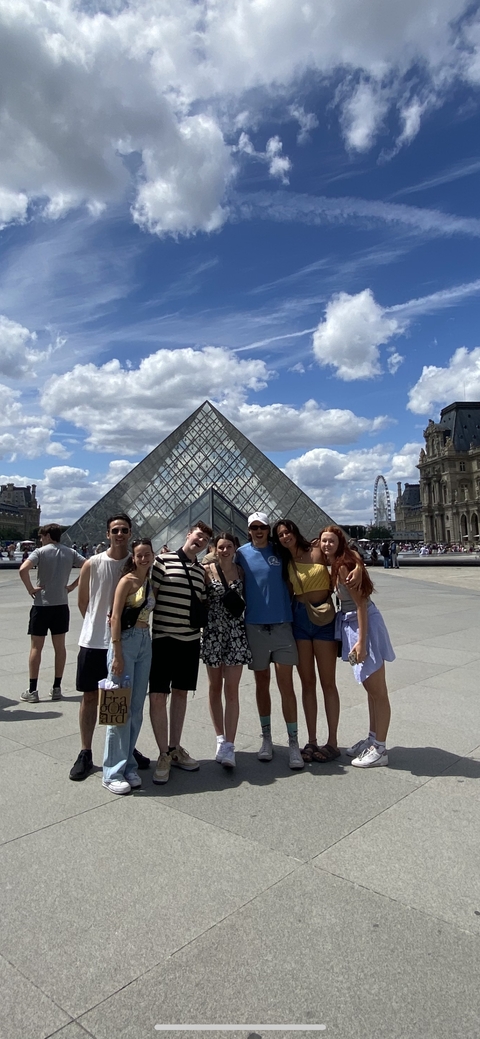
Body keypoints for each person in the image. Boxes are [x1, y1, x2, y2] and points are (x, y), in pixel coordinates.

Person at [69, 514, 149, 781]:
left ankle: (123, 750)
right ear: (107, 534)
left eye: (124, 530)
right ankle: (85, 751)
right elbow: (84, 604)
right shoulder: (92, 564)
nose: (120, 534)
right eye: (115, 530)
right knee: (90, 697)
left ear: (130, 533)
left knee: (122, 702)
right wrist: (100, 628)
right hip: (94, 642)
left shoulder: (136, 562)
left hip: (123, 643)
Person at [320, 525, 395, 768]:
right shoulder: (342, 561)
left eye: (331, 541)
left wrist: (362, 643)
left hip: (363, 626)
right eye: (324, 541)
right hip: (353, 625)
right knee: (368, 686)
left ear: (339, 542)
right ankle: (373, 739)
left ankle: (381, 748)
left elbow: (361, 604)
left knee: (377, 690)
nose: (326, 545)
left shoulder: (342, 565)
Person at [272, 519, 345, 764]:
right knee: (307, 683)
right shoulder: (285, 561)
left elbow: (344, 552)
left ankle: (332, 741)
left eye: (288, 531)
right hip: (300, 619)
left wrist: (356, 566)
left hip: (323, 617)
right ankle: (312, 740)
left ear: (295, 531)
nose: (285, 537)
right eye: (280, 534)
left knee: (328, 683)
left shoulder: (317, 550)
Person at [236, 512, 303, 770]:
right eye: (254, 527)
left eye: (263, 527)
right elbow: (216, 561)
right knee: (261, 683)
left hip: (282, 625)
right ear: (249, 529)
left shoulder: (281, 551)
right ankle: (267, 738)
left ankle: (293, 742)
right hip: (255, 627)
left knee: (286, 685)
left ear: (268, 529)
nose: (259, 530)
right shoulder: (240, 554)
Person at [149, 522, 212, 785]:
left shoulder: (201, 571)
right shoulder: (161, 561)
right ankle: (163, 752)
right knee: (158, 696)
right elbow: (149, 598)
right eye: (198, 536)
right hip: (163, 639)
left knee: (181, 694)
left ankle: (175, 748)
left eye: (205, 539)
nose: (200, 541)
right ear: (188, 535)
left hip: (190, 640)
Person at [102, 539, 156, 794]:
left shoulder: (150, 579)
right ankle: (112, 771)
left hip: (145, 643)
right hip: (125, 643)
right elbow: (114, 618)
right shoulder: (127, 581)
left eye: (148, 554)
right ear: (133, 558)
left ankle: (129, 765)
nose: (144, 558)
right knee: (118, 709)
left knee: (135, 709)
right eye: (139, 555)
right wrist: (117, 653)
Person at [202, 531, 251, 769]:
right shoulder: (205, 572)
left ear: (235, 548)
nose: (224, 550)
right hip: (213, 635)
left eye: (228, 546)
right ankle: (220, 738)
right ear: (214, 548)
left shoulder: (241, 572)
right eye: (220, 547)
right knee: (214, 688)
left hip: (235, 636)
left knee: (232, 690)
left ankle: (230, 745)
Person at [19, 524, 85, 702]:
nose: (41, 539)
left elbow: (23, 569)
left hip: (41, 605)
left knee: (35, 648)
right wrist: (72, 586)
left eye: (42, 536)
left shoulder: (40, 552)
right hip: (61, 605)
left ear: (48, 536)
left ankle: (32, 690)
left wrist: (31, 588)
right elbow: (88, 566)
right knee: (60, 647)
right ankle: (57, 688)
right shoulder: (70, 552)